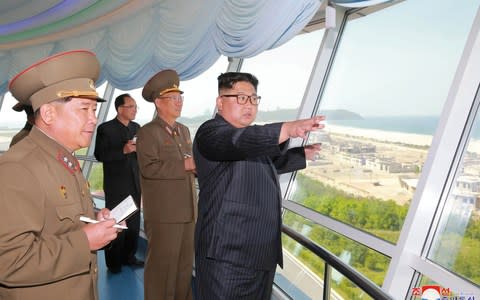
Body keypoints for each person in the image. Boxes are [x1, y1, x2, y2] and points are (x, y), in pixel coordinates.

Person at [0, 50, 121, 300]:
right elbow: (9, 262)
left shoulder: (64, 159)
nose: (94, 119)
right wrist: (84, 242)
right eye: (84, 109)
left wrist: (95, 220)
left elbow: (59, 222)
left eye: (94, 110)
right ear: (48, 114)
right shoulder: (17, 168)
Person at [193, 72, 323, 299]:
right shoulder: (211, 132)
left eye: (254, 99)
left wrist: (302, 154)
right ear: (220, 102)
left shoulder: (248, 144)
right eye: (241, 98)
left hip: (259, 255)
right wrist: (288, 129)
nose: (250, 105)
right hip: (227, 257)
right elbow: (239, 142)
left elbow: (266, 164)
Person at [136, 69, 197, 300]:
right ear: (158, 102)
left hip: (188, 210)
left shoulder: (183, 131)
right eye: (173, 98)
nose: (179, 102)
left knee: (183, 268)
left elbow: (188, 165)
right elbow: (149, 169)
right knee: (162, 269)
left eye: (180, 97)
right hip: (164, 214)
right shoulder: (148, 133)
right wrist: (188, 165)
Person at [94, 93, 143, 273]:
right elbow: (100, 155)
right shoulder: (105, 129)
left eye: (136, 107)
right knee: (116, 223)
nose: (135, 110)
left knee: (134, 224)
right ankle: (114, 263)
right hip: (116, 185)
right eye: (131, 107)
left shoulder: (137, 127)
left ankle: (129, 257)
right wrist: (122, 150)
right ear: (120, 109)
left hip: (135, 183)